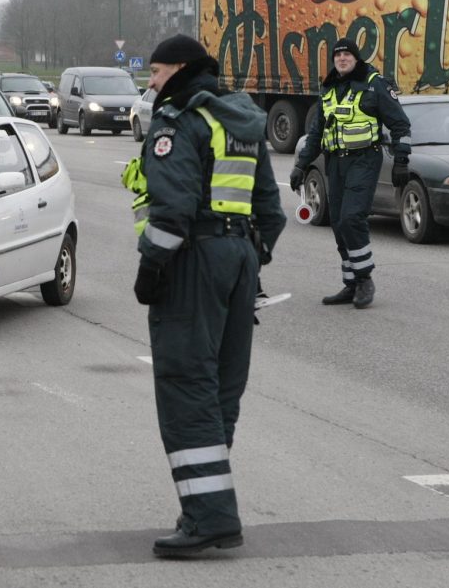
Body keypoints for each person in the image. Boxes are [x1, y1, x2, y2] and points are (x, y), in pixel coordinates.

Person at [131, 34, 286, 558]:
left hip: (194, 260)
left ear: (179, 69)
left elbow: (171, 211)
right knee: (220, 385)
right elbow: (271, 210)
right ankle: (207, 504)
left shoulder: (179, 121)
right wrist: (245, 262)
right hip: (239, 257)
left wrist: (150, 271)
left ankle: (210, 519)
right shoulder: (238, 119)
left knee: (185, 383)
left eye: (155, 71)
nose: (151, 83)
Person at [291, 38, 412, 308]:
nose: (342, 59)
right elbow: (316, 132)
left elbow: (401, 125)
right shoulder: (330, 89)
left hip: (364, 160)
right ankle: (351, 283)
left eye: (347, 55)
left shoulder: (374, 85)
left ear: (356, 58)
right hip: (335, 163)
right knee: (337, 221)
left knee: (351, 217)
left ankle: (365, 278)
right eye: (338, 56)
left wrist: (402, 161)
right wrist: (301, 165)